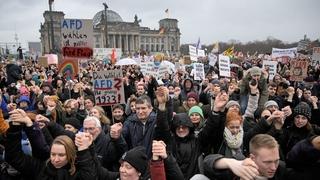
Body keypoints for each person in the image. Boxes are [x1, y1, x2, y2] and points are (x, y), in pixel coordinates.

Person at [4, 109, 96, 180]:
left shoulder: (78, 172)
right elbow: (14, 157)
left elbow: (91, 174)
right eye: (53, 154)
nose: (55, 159)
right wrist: (16, 126)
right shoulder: (40, 168)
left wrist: (86, 148)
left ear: (70, 155)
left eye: (61, 155)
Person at [203, 134, 311, 180]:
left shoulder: (281, 170)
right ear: (252, 158)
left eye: (276, 161)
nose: (273, 167)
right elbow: (206, 163)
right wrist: (229, 162)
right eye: (267, 162)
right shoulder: (240, 168)